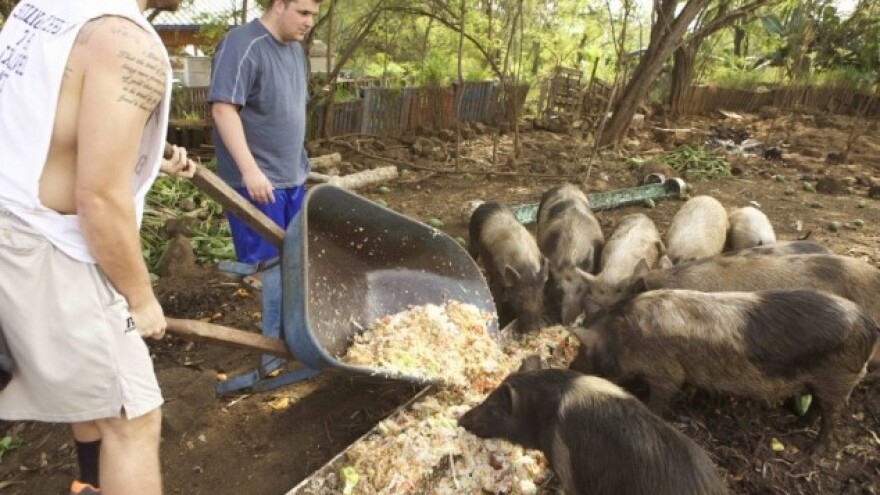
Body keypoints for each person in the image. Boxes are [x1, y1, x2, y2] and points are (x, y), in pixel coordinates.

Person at [0, 2, 194, 494]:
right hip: (44, 246)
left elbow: (44, 118)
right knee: (133, 418)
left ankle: (89, 484)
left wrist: (149, 159)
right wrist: (140, 298)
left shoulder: (45, 8)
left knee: (98, 394)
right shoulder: (129, 43)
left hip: (11, 223)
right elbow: (99, 199)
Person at [209, 0, 322, 281]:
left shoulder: (295, 49)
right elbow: (223, 109)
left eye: (313, 15)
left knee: (294, 267)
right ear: (279, 5)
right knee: (264, 273)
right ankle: (263, 324)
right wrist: (250, 171)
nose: (309, 22)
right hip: (258, 184)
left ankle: (288, 325)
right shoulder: (242, 44)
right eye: (303, 13)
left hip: (292, 178)